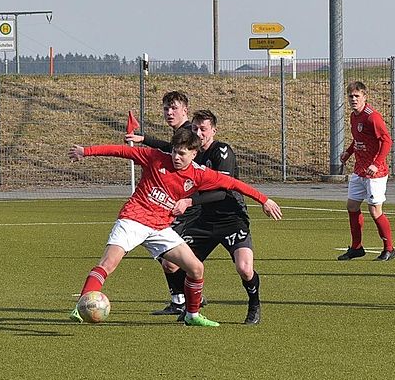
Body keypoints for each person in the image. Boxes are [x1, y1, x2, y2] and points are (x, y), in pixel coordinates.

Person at [67, 128, 282, 327]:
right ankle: (82, 306)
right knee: (109, 262)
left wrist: (264, 200)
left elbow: (233, 184)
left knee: (196, 269)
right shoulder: (155, 158)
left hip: (160, 228)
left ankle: (192, 315)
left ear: (194, 154)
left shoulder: (199, 174)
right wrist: (86, 151)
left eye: (182, 154)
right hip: (133, 219)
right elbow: (121, 151)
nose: (176, 158)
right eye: (175, 152)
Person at [165, 110, 264, 324]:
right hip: (204, 221)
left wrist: (189, 202)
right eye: (195, 128)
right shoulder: (191, 153)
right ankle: (193, 302)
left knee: (245, 269)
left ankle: (254, 304)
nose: (198, 133)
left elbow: (222, 191)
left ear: (213, 131)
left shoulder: (222, 151)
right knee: (171, 263)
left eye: (203, 129)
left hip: (232, 218)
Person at [124, 90, 197, 314]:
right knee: (169, 259)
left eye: (174, 108)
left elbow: (174, 153)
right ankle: (181, 299)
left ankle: (189, 298)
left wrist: (144, 140)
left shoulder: (189, 133)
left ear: (185, 110)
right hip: (177, 203)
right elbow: (168, 148)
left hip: (188, 204)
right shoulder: (180, 134)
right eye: (166, 108)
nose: (169, 112)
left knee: (171, 256)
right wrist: (144, 139)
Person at [337, 80, 395, 261]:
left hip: (375, 173)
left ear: (364, 97)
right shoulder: (354, 116)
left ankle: (389, 248)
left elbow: (387, 141)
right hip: (360, 170)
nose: (353, 99)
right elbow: (358, 140)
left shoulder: (373, 117)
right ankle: (357, 247)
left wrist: (376, 163)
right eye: (350, 96)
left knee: (375, 210)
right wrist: (348, 152)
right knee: (352, 206)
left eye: (357, 96)